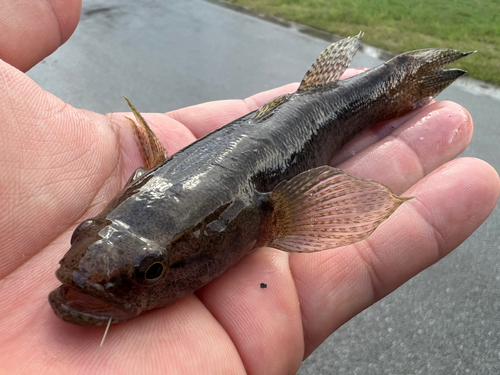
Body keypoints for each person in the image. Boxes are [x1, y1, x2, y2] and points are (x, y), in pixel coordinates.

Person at [0, 1, 498, 373]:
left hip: (305, 115)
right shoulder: (148, 197)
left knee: (371, 94)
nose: (79, 279)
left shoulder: (268, 213)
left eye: (151, 270)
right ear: (137, 185)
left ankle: (404, 80)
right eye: (85, 234)